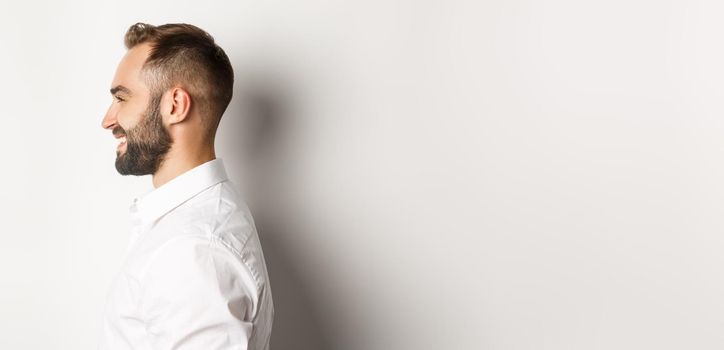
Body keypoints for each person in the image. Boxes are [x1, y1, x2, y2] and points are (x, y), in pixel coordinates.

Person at [98, 22, 274, 350]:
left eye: (122, 98)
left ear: (175, 106)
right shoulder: (191, 227)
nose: (107, 119)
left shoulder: (193, 249)